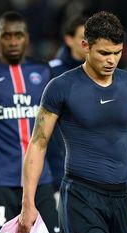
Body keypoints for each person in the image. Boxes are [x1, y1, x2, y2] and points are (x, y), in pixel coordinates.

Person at [18, 11, 127, 233]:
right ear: (85, 45)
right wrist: (28, 203)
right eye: (104, 53)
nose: (112, 60)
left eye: (117, 52)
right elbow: (37, 144)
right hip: (80, 196)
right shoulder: (61, 87)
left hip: (120, 198)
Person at [0, 11, 59, 233]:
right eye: (7, 36)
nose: (13, 42)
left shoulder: (44, 71)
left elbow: (60, 127)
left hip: (41, 179)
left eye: (18, 35)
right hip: (0, 181)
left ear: (27, 38)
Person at [47, 14, 87, 195]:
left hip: (97, 174)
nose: (88, 43)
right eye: (83, 38)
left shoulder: (104, 72)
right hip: (60, 173)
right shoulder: (50, 73)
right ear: (69, 40)